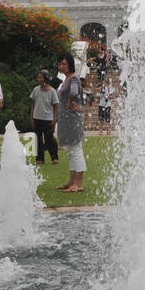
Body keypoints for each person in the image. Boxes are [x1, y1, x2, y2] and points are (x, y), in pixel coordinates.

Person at [54, 52, 85, 192]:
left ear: (70, 64)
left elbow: (74, 92)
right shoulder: (66, 79)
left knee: (76, 150)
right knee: (71, 151)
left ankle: (78, 184)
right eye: (60, 63)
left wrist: (72, 102)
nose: (62, 66)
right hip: (67, 120)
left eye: (65, 63)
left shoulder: (74, 79)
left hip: (73, 119)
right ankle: (71, 181)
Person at [31, 70, 59, 163]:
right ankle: (40, 158)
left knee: (49, 138)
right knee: (38, 139)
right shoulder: (35, 90)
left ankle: (54, 157)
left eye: (40, 77)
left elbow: (55, 105)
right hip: (37, 118)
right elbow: (32, 104)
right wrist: (32, 117)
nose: (38, 79)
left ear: (45, 78)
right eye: (38, 77)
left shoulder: (52, 91)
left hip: (48, 119)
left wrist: (55, 118)